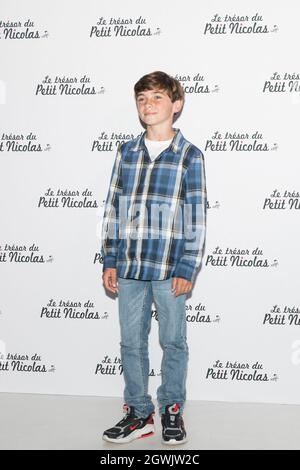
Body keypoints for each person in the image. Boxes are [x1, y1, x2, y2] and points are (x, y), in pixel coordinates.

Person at [100, 71, 207, 445]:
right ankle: (138, 412)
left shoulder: (189, 155)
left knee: (173, 341)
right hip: (129, 266)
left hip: (169, 269)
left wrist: (187, 265)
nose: (148, 105)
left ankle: (171, 409)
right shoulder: (126, 152)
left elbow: (195, 214)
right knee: (131, 342)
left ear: (175, 105)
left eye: (157, 98)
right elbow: (114, 207)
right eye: (142, 98)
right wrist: (109, 259)